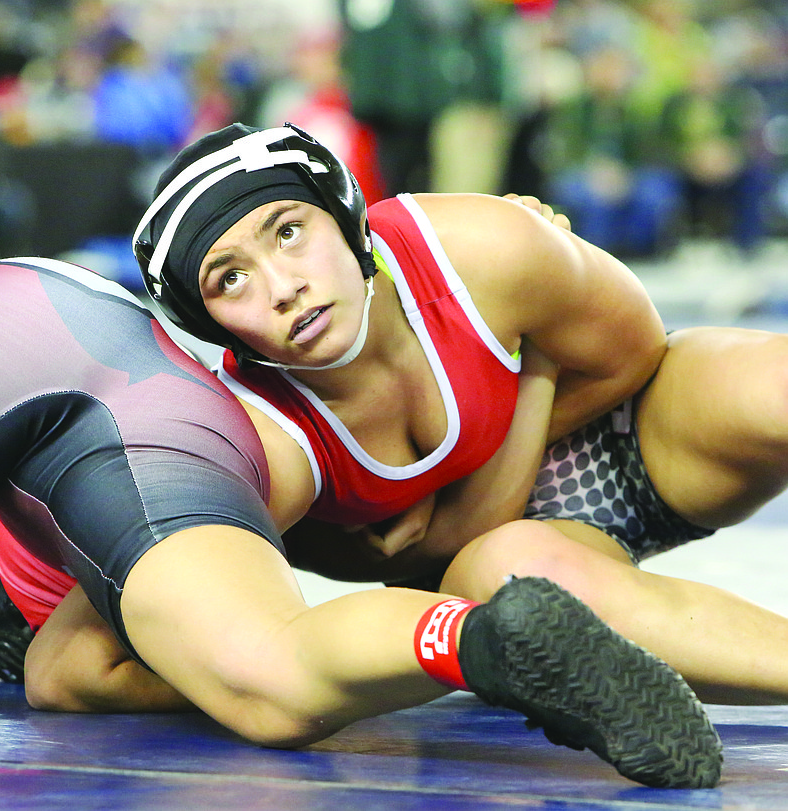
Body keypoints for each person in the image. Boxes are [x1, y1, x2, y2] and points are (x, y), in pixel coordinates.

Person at [0, 257, 720, 789]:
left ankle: (474, 639)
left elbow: (27, 653)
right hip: (55, 319)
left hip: (49, 365)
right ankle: (469, 635)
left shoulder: (9, 612)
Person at [127, 122, 788, 712]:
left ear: (345, 216)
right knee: (519, 582)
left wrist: (449, 486)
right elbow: (96, 652)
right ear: (211, 325)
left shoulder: (474, 248)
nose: (283, 286)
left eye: (290, 231)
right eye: (230, 279)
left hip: (626, 435)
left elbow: (636, 350)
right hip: (494, 570)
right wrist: (539, 365)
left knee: (768, 385)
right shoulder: (261, 439)